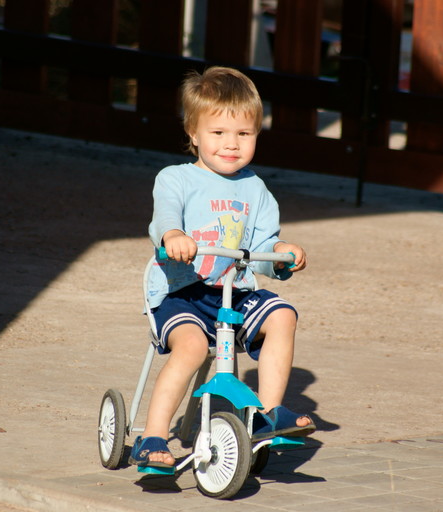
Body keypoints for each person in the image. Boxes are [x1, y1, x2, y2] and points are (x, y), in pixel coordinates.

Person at [130, 66, 314, 470]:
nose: (231, 144)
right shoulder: (176, 179)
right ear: (193, 133)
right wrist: (174, 235)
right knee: (193, 348)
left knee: (282, 315)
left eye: (243, 134)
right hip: (182, 293)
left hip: (234, 293)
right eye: (218, 133)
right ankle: (153, 436)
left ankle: (266, 415)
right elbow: (165, 219)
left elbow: (262, 247)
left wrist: (281, 251)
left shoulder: (256, 189)